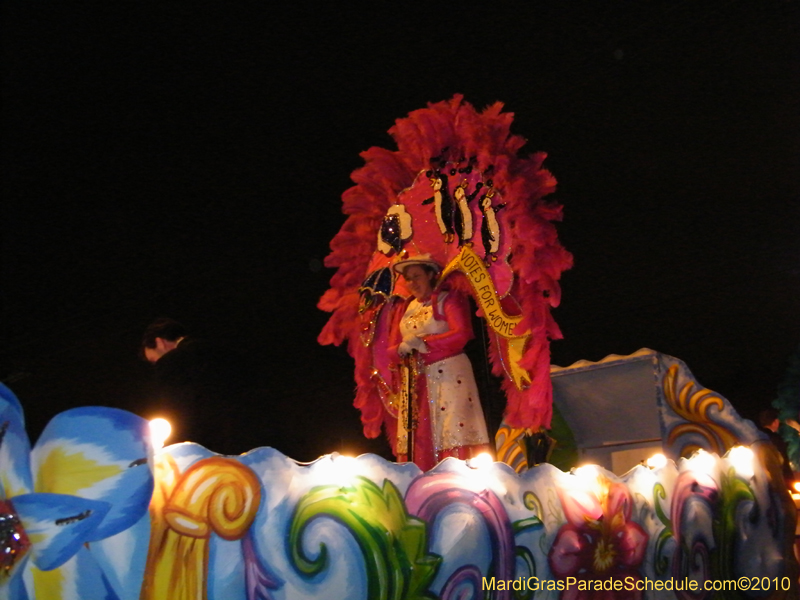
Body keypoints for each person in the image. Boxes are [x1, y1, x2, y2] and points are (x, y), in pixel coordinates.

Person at [389, 255, 492, 470]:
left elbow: (462, 334)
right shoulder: (405, 308)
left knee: (450, 429)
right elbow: (391, 348)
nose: (412, 283)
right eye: (408, 279)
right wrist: (400, 350)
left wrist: (423, 343)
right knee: (418, 433)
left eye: (417, 276)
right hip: (415, 382)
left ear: (430, 275)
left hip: (448, 376)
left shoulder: (449, 299)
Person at [140, 318, 251, 454]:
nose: (157, 363)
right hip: (246, 432)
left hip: (206, 440)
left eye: (154, 360)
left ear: (160, 342)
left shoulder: (173, 361)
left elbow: (177, 409)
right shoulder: (224, 350)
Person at [757, 407, 796, 487]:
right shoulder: (775, 439)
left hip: (761, 482)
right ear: (775, 422)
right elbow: (783, 462)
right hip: (778, 481)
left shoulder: (756, 438)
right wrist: (790, 482)